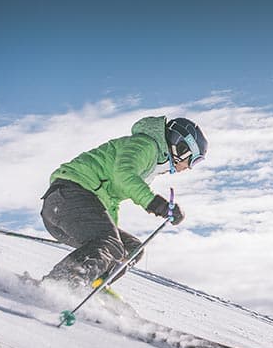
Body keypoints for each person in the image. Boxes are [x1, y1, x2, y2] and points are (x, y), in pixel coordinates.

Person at [40, 116, 208, 290]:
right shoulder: (146, 145)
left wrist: (112, 237)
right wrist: (156, 204)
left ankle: (94, 285)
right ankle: (60, 284)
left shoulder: (151, 162)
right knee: (109, 242)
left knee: (132, 248)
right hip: (69, 196)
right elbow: (124, 176)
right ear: (182, 148)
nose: (189, 167)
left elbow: (111, 201)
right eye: (194, 160)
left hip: (66, 207)